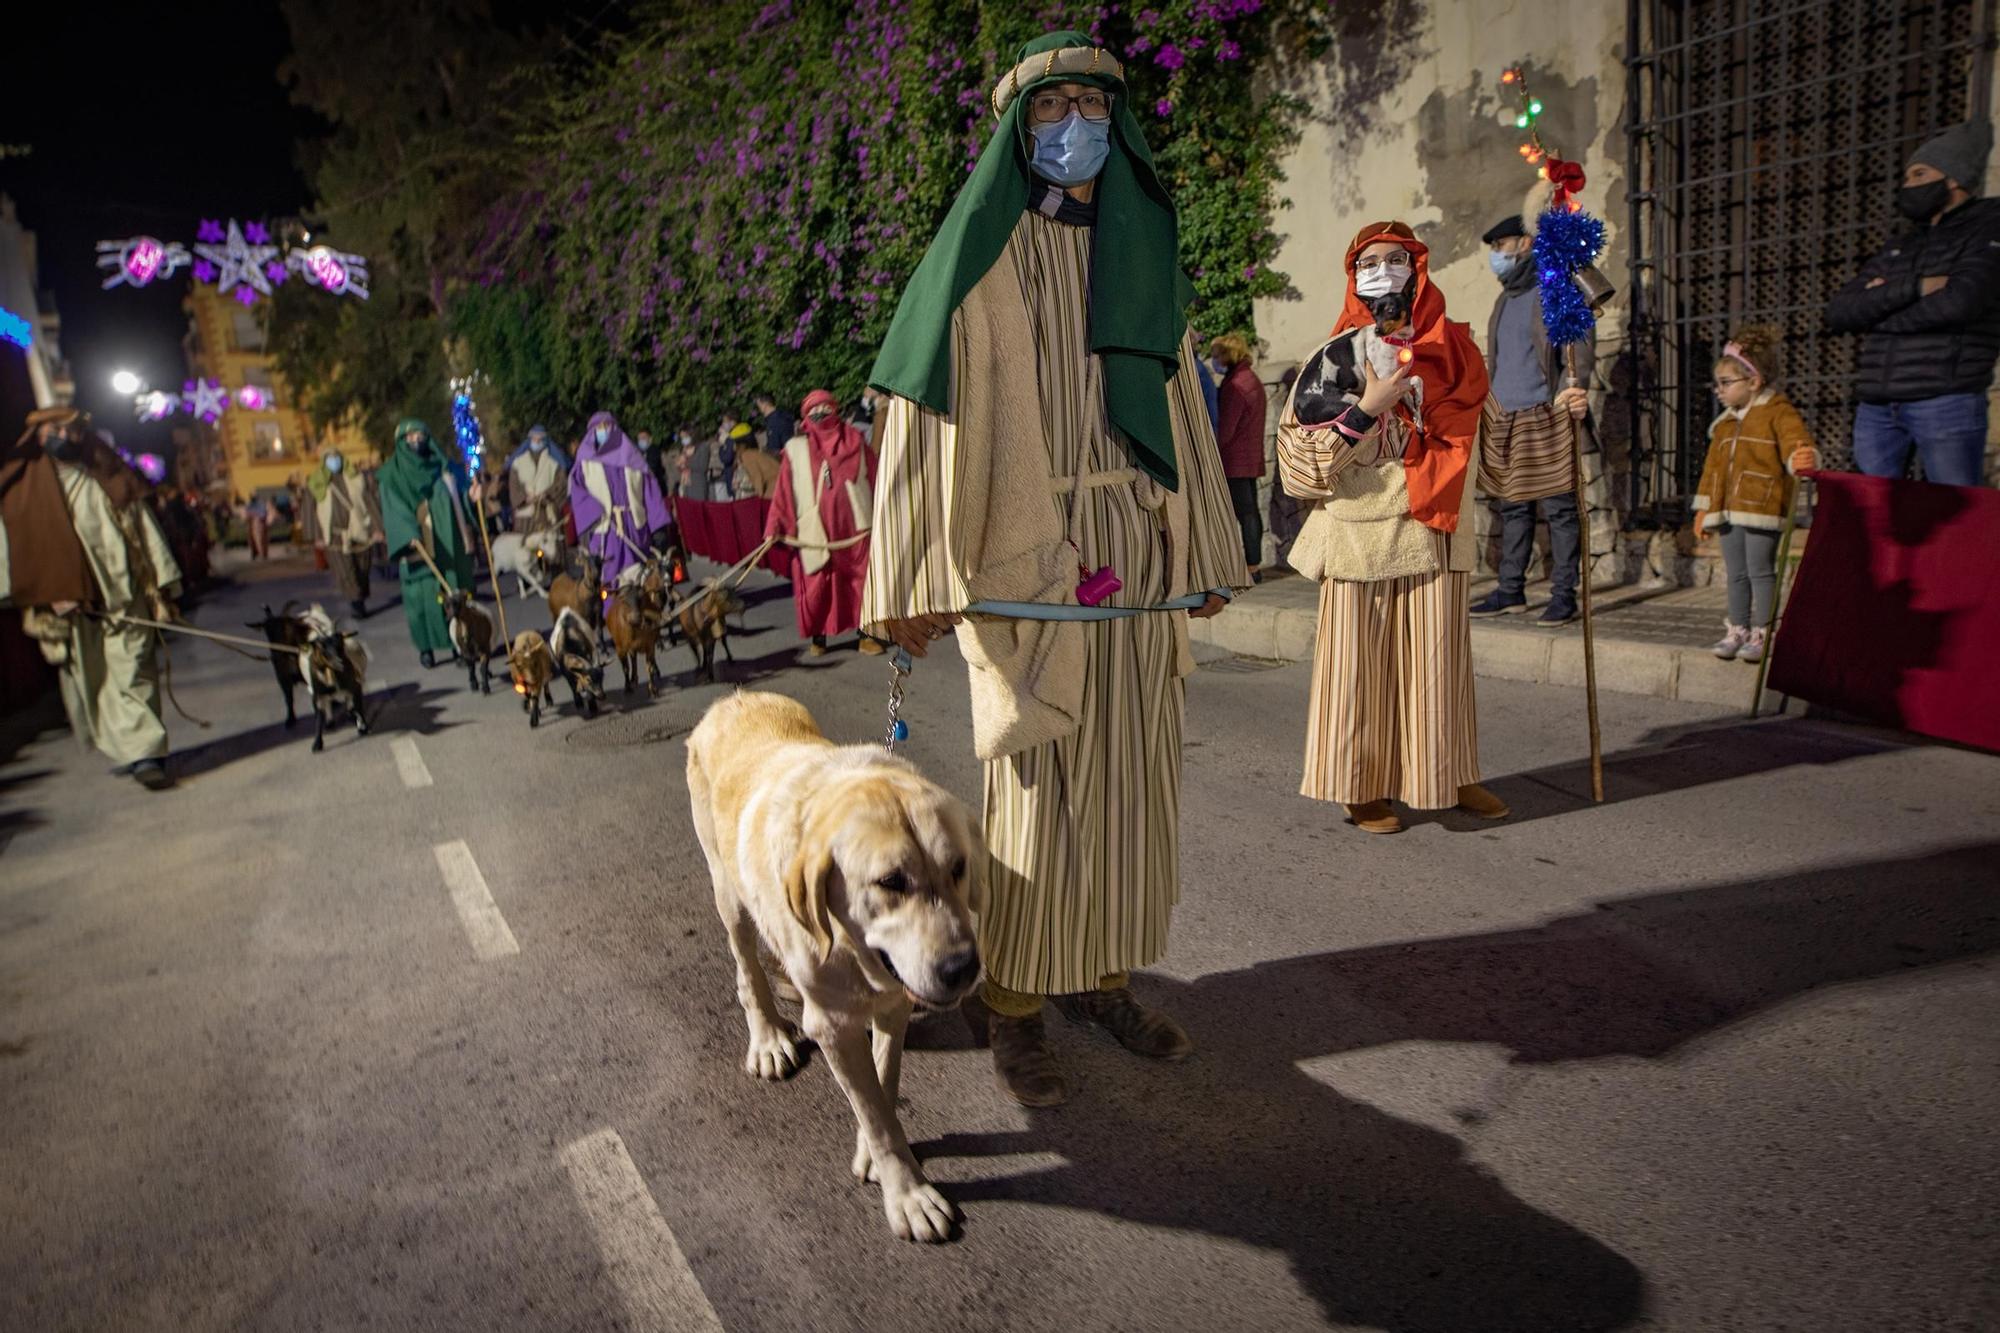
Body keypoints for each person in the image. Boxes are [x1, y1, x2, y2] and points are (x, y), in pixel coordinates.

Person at [863, 31, 1247, 1108]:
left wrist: (1206, 549)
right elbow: (918, 409)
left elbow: (1178, 412)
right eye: (1048, 108)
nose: (1070, 124)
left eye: (1089, 103)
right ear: (1014, 130)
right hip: (1027, 561)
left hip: (1130, 555)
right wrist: (906, 582)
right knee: (1035, 794)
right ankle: (1017, 1004)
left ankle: (1106, 980)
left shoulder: (1138, 257)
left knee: (1131, 787)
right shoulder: (976, 261)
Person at [1277, 220, 1507, 837]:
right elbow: (1298, 467)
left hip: (1436, 532)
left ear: (1418, 267)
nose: (1382, 271)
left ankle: (1447, 771)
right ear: (1354, 279)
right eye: (1368, 262)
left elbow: (1498, 446)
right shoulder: (1330, 359)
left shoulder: (1458, 352)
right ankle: (1359, 785)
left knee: (1439, 669)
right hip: (1358, 537)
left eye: (1394, 259)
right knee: (1358, 674)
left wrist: (1563, 415)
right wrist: (1366, 410)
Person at [0, 407, 180, 789]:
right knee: (94, 679)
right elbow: (13, 546)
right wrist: (42, 595)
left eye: (73, 430)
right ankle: (127, 747)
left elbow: (143, 526)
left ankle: (146, 753)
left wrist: (163, 578)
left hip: (123, 592)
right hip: (68, 602)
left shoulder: (107, 473)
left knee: (133, 668)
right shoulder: (22, 489)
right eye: (56, 430)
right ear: (39, 434)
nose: (66, 437)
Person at [1827, 121, 2000, 487]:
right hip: (1877, 405)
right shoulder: (1901, 245)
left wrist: (1879, 308)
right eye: (1906, 177)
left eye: (1920, 173)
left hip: (1945, 400)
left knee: (1955, 518)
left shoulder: (1988, 227)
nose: (1908, 185)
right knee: (1878, 520)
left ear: (1953, 179)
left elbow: (1960, 302)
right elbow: (1841, 311)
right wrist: (1917, 287)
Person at [1467, 213, 1594, 626]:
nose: (1495, 255)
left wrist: (1573, 388)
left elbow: (1579, 342)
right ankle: (1510, 591)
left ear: (1524, 243)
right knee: (1514, 508)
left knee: (1559, 510)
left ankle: (1564, 595)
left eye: (1499, 246)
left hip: (1546, 413)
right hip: (1507, 418)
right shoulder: (1505, 299)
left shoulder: (1553, 287)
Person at [1691, 326, 1821, 664]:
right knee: (1735, 571)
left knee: (1760, 570)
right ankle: (1738, 627)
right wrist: (1703, 509)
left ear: (1754, 381)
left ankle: (1765, 630)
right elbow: (1711, 471)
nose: (1719, 390)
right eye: (1717, 383)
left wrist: (1801, 457)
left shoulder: (1777, 411)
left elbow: (1795, 441)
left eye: (1726, 382)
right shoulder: (1722, 425)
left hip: (1762, 506)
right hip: (1727, 510)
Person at [765, 390, 881, 656]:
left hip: (854, 530)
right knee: (816, 586)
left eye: (826, 409)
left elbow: (875, 478)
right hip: (813, 531)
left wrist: (884, 514)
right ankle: (819, 638)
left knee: (861, 583)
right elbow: (783, 492)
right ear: (806, 416)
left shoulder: (855, 441)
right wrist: (775, 527)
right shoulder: (796, 450)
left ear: (835, 410)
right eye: (814, 411)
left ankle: (867, 634)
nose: (821, 415)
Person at [378, 418, 475, 669]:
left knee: (451, 592)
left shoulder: (443, 466)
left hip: (447, 542)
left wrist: (473, 497)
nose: (416, 440)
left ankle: (458, 643)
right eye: (409, 437)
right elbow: (393, 508)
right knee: (421, 600)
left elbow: (462, 493)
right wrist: (407, 531)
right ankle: (426, 648)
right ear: (401, 441)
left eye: (420, 435)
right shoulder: (392, 474)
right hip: (418, 544)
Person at [569, 410, 671, 586]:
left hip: (634, 526)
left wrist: (658, 525)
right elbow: (577, 492)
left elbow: (650, 492)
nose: (603, 431)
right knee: (610, 578)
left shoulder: (632, 457)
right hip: (606, 528)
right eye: (598, 428)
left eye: (606, 426)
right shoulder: (585, 461)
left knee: (641, 576)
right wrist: (594, 510)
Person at [1209, 332, 1269, 579]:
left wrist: (1210, 450)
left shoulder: (1235, 385)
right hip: (1249, 457)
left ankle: (1251, 568)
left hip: (1235, 459)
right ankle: (1253, 565)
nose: (1213, 360)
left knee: (1243, 514)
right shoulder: (1250, 378)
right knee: (1250, 512)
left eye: (1216, 355)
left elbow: (1227, 428)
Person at [303, 447, 384, 618]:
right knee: (344, 571)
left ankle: (360, 597)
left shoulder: (356, 477)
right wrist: (316, 536)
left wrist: (377, 528)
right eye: (330, 458)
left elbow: (369, 501)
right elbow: (309, 510)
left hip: (361, 531)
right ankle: (356, 604)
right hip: (334, 536)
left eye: (336, 457)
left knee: (362, 568)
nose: (334, 461)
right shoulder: (316, 482)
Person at [505, 424, 570, 558]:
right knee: (527, 553)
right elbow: (513, 486)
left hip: (547, 513)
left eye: (539, 439)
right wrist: (524, 497)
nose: (537, 442)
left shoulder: (554, 461)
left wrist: (548, 494)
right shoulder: (518, 462)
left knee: (552, 552)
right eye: (534, 439)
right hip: (526, 516)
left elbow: (561, 483)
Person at [732, 424, 782, 499]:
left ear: (740, 444)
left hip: (774, 489)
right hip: (780, 485)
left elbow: (757, 478)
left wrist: (759, 500)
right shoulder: (757, 453)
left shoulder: (747, 455)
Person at [754, 394, 796, 462]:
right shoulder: (782, 415)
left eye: (759, 405)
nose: (759, 408)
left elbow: (774, 446)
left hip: (782, 459)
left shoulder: (774, 421)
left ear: (765, 404)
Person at [244, 491, 271, 560]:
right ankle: (254, 553)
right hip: (252, 524)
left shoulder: (261, 504)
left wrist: (254, 515)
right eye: (252, 497)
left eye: (254, 497)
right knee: (251, 539)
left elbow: (263, 514)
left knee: (262, 539)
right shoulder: (249, 505)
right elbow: (247, 514)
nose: (253, 498)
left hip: (260, 523)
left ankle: (263, 554)